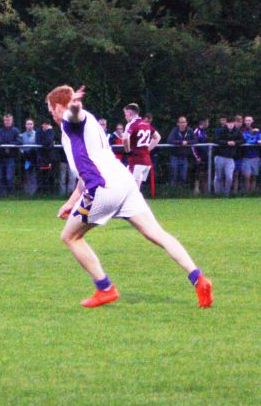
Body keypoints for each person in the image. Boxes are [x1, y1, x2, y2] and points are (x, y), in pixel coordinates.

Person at [45, 86, 212, 309]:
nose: (51, 114)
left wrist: (74, 107)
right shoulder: (89, 125)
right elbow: (84, 175)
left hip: (104, 188)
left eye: (50, 109)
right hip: (123, 182)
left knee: (70, 236)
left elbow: (75, 115)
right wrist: (70, 203)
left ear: (57, 107)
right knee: (156, 233)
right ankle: (199, 279)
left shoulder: (70, 119)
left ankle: (105, 288)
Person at [121, 103, 160, 193]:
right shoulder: (146, 124)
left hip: (136, 159)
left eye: (125, 114)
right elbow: (157, 137)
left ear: (130, 113)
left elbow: (125, 138)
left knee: (133, 188)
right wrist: (147, 149)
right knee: (134, 185)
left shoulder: (132, 124)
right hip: (146, 160)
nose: (125, 117)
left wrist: (128, 151)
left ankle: (135, 206)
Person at [212, 117, 238, 195]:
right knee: (218, 177)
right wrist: (227, 143)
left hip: (230, 158)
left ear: (234, 123)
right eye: (229, 123)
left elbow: (243, 140)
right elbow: (215, 140)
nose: (230, 125)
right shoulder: (220, 131)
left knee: (229, 177)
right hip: (220, 156)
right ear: (226, 123)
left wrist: (235, 142)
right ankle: (217, 193)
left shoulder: (237, 131)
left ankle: (226, 193)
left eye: (232, 123)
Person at [166, 116, 194, 189]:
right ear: (178, 123)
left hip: (184, 156)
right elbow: (170, 140)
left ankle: (182, 191)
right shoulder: (175, 131)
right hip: (174, 156)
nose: (182, 124)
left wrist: (188, 142)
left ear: (186, 123)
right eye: (181, 122)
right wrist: (180, 142)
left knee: (183, 175)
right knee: (174, 173)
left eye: (184, 122)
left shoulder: (190, 131)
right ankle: (173, 190)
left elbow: (195, 140)